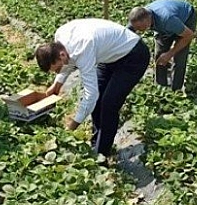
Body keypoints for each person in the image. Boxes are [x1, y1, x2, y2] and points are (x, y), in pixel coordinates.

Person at [35, 18, 149, 157]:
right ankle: (96, 144)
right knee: (98, 101)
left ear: (61, 55)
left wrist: (73, 125)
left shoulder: (83, 48)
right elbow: (68, 61)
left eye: (58, 69)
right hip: (108, 54)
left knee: (108, 104)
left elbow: (90, 94)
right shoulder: (60, 37)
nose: (59, 71)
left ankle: (102, 155)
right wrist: (57, 84)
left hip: (133, 55)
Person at [128, 0, 196, 91]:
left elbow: (189, 36)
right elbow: (126, 34)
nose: (138, 30)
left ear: (147, 20)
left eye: (139, 27)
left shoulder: (167, 19)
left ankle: (176, 90)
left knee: (179, 57)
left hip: (186, 18)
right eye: (136, 27)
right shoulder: (138, 17)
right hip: (165, 24)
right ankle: (160, 87)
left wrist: (170, 54)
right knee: (159, 55)